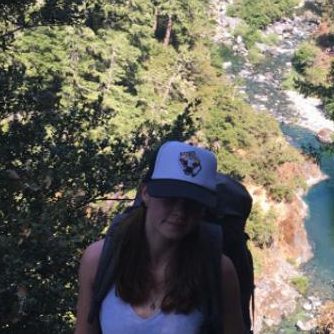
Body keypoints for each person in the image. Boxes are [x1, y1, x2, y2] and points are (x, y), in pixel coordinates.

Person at [74, 141, 245, 334]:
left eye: (193, 203)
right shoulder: (98, 260)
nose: (180, 211)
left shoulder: (218, 271)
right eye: (171, 197)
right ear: (146, 193)